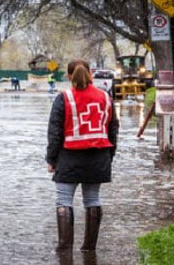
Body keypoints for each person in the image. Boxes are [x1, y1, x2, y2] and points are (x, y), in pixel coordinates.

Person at [46, 59, 119, 253]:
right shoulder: (106, 97)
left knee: (63, 200)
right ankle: (89, 249)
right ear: (90, 74)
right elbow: (113, 129)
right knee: (92, 199)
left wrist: (51, 160)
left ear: (69, 76)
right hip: (99, 157)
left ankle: (64, 249)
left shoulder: (64, 98)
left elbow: (55, 133)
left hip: (69, 157)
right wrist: (108, 156)